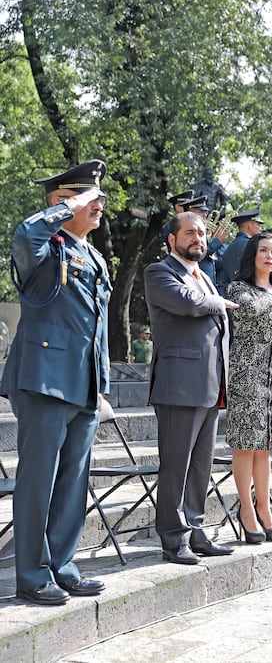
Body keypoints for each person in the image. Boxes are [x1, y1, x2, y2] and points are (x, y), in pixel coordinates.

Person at [0, 161, 111, 604]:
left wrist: (100, 384)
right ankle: (31, 574)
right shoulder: (46, 248)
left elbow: (97, 327)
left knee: (72, 482)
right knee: (38, 480)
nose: (98, 204)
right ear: (61, 203)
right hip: (45, 380)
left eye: (97, 197)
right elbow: (25, 236)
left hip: (82, 384)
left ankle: (63, 565)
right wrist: (70, 207)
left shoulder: (95, 256)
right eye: (88, 198)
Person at [145, 211, 238, 565]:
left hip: (211, 385)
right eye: (189, 233)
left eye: (201, 232)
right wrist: (220, 301)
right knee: (177, 466)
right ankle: (172, 537)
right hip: (179, 386)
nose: (197, 238)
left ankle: (196, 530)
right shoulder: (159, 272)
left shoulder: (206, 276)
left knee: (200, 466)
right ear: (172, 239)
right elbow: (188, 303)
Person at [225, 233, 272, 544]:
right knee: (245, 444)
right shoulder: (238, 288)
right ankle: (246, 512)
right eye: (263, 250)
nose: (269, 256)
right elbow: (248, 311)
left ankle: (264, 508)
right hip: (246, 373)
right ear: (253, 254)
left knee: (264, 446)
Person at [217, 207, 264, 293]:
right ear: (250, 225)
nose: (260, 228)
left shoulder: (233, 244)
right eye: (258, 224)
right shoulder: (249, 245)